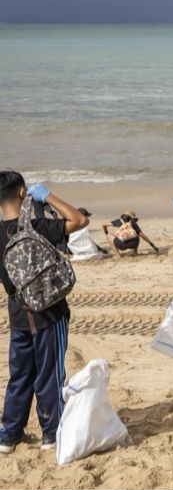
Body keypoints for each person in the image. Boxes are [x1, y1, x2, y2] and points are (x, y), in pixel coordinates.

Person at [0, 171, 88, 454]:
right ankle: (51, 433)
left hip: (18, 313)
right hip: (49, 313)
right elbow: (79, 219)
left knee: (20, 374)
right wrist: (47, 195)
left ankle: (9, 434)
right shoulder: (36, 226)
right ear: (23, 192)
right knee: (49, 373)